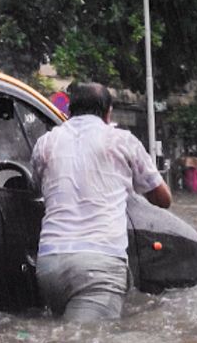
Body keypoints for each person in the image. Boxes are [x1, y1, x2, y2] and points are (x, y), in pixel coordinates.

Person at [31, 82, 172, 322]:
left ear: (69, 111)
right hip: (98, 266)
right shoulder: (121, 141)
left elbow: (37, 187)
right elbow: (163, 199)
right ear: (108, 112)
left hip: (49, 264)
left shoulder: (45, 143)